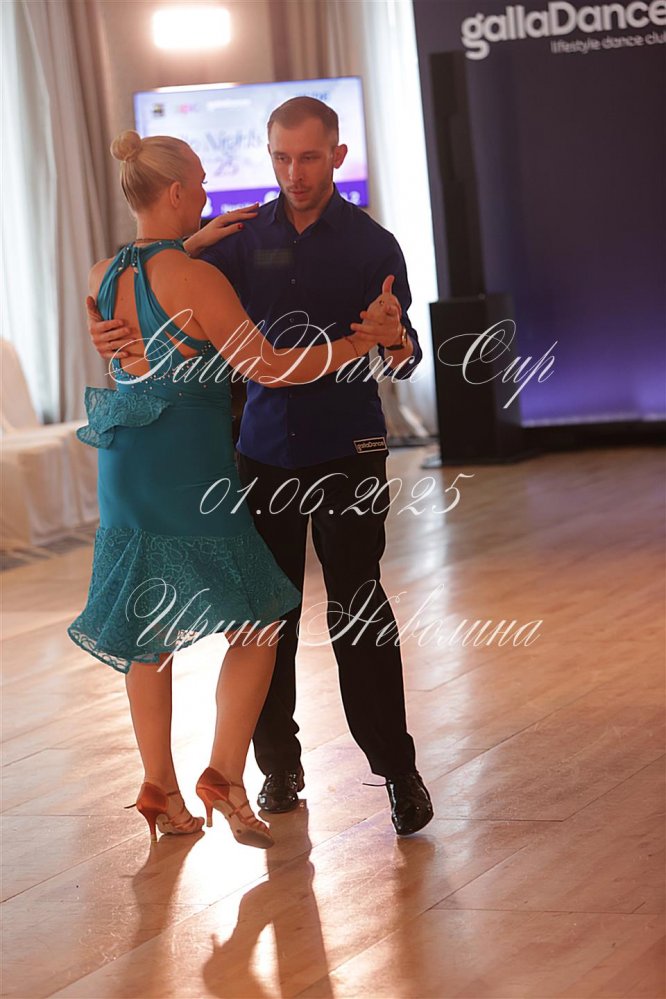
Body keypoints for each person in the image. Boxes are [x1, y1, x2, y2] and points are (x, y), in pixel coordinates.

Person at [89, 98, 434, 837]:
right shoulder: (235, 239)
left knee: (358, 608)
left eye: (308, 157)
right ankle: (276, 766)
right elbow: (161, 291)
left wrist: (390, 339)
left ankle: (396, 769)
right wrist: (113, 325)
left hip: (346, 449)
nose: (293, 172)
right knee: (268, 614)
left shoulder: (374, 244)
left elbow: (404, 355)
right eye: (280, 157)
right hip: (260, 453)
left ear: (337, 157)